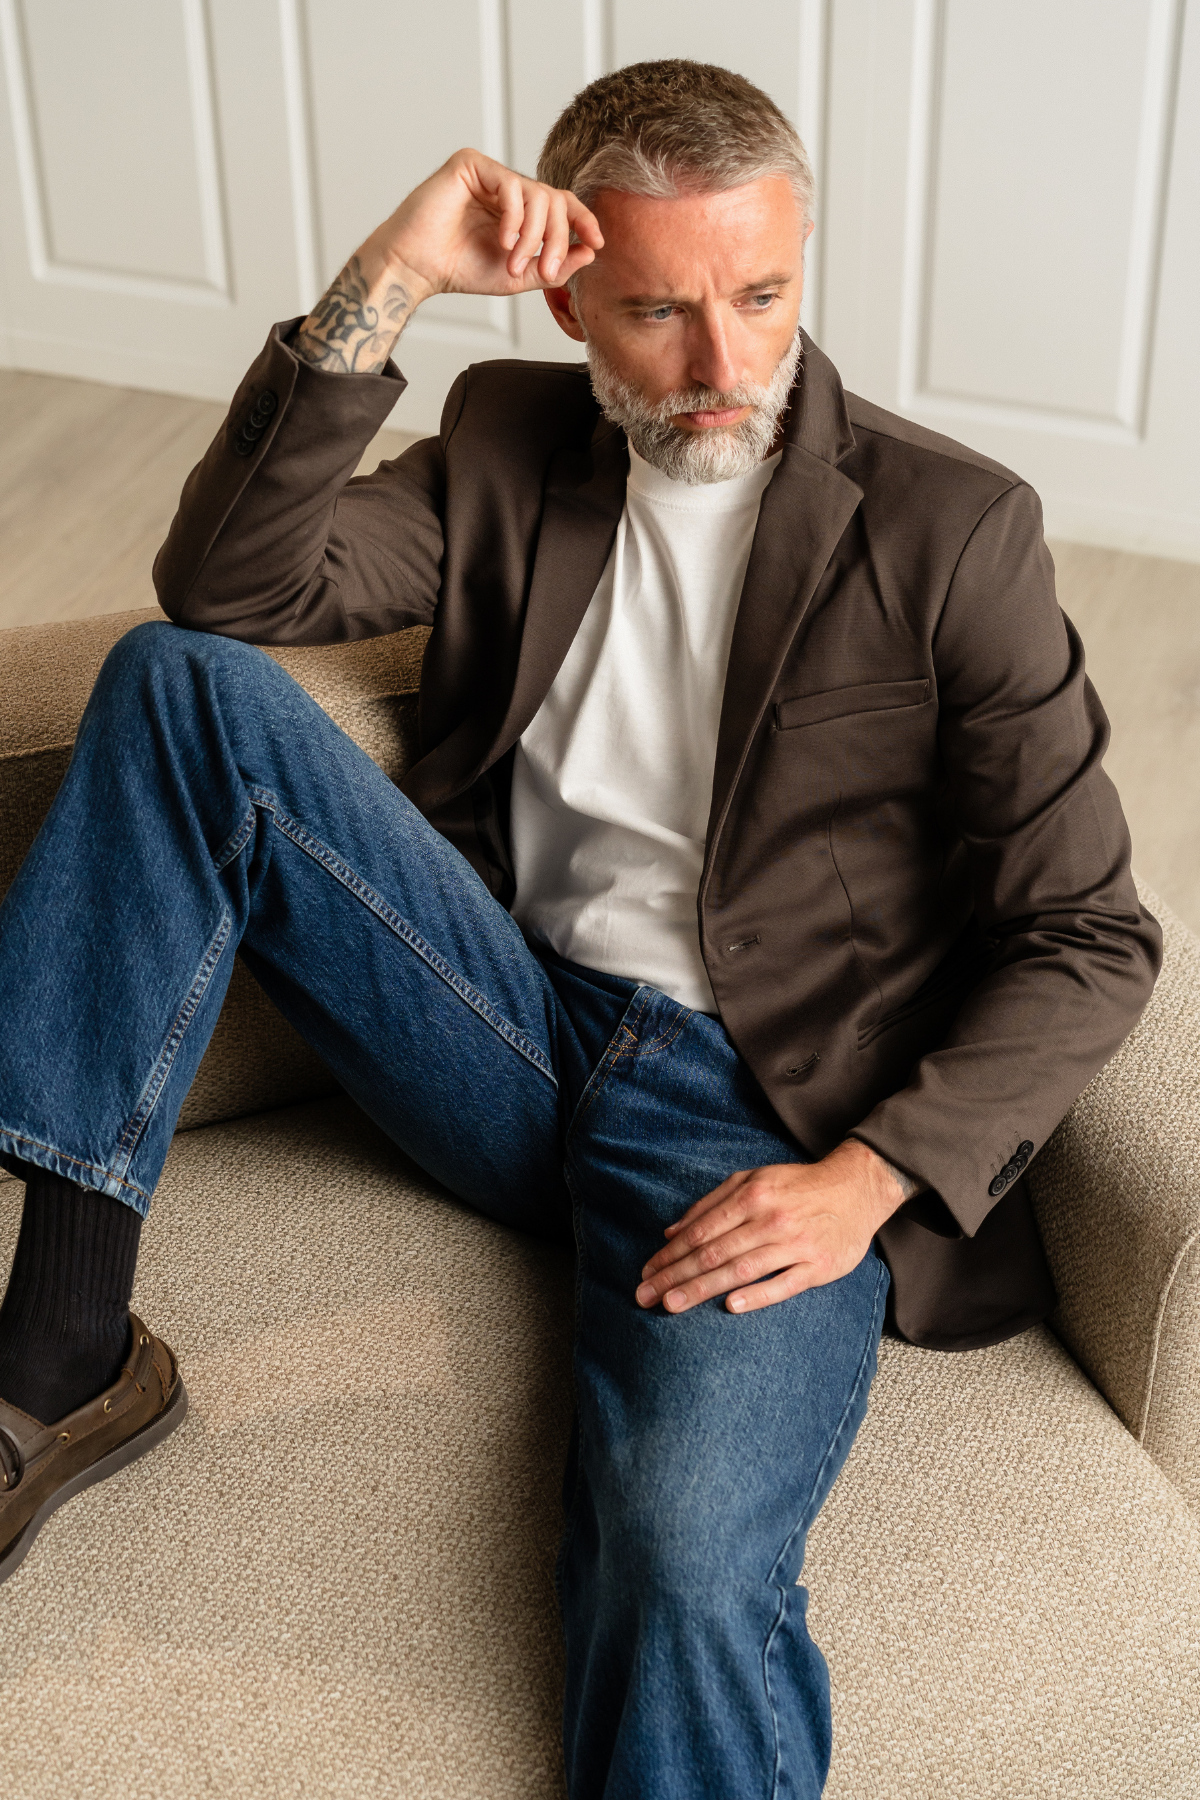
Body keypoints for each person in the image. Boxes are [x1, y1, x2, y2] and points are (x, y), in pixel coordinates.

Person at [0, 58, 1160, 1799]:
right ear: (566, 299)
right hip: (505, 1021)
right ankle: (63, 1352)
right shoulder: (504, 444)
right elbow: (230, 589)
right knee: (176, 685)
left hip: (750, 1118)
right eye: (660, 310)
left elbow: (1089, 931)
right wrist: (392, 274)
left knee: (683, 1558)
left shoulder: (951, 528)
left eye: (761, 295)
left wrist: (867, 1180)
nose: (722, 364)